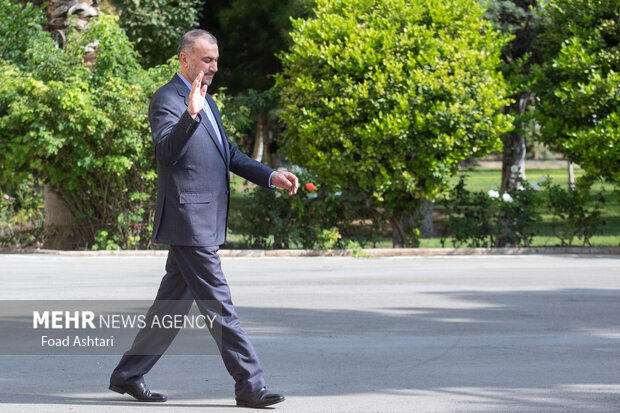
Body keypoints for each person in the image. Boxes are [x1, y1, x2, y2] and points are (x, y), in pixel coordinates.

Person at [108, 29, 297, 408]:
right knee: (219, 305)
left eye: (216, 60)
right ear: (184, 59)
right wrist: (190, 114)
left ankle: (127, 375)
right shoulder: (168, 99)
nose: (213, 67)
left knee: (170, 307)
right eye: (206, 59)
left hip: (202, 220)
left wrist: (269, 176)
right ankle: (249, 385)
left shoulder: (208, 100)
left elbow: (228, 153)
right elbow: (166, 153)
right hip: (188, 219)